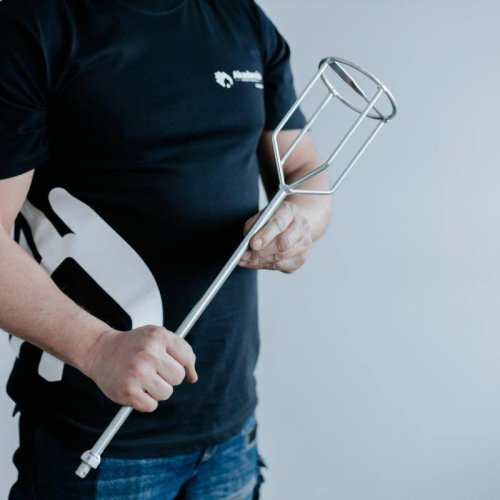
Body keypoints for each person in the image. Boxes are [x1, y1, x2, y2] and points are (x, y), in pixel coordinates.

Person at [0, 0, 332, 498]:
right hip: (97, 442)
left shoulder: (242, 19)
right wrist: (95, 347)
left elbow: (304, 168)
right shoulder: (33, 26)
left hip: (231, 431)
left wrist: (301, 223)